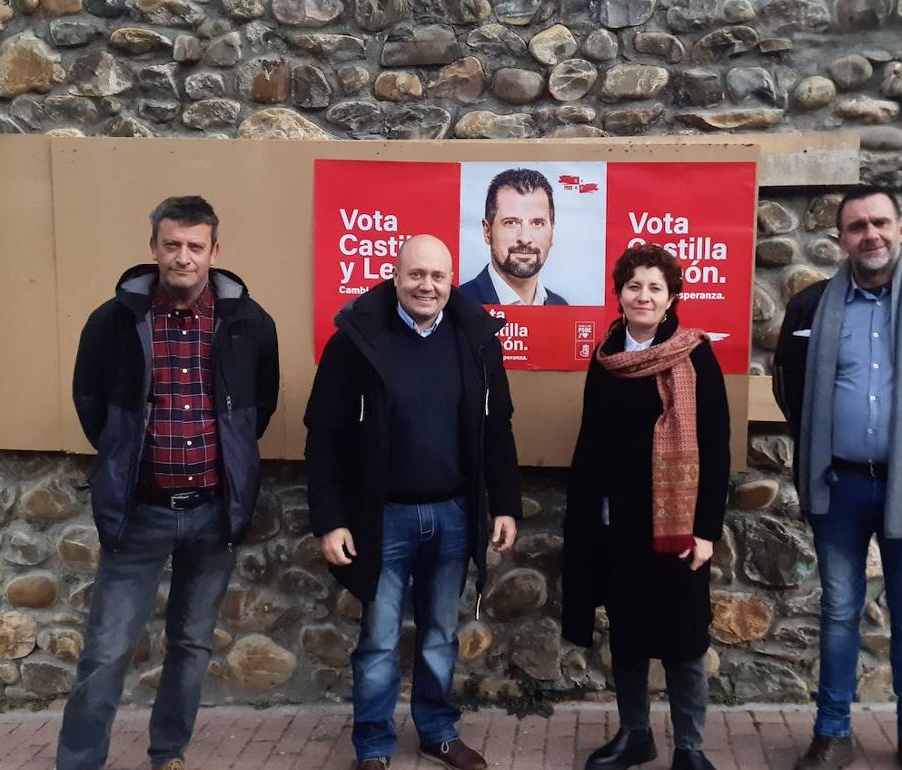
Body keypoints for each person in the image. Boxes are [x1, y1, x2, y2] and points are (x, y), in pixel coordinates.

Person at [58, 196, 280, 770]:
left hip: (212, 512)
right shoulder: (113, 321)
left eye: (195, 246)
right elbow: (92, 405)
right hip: (140, 513)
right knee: (106, 652)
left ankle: (169, 753)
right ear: (154, 247)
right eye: (172, 245)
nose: (183, 257)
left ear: (214, 251)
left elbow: (260, 406)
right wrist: (121, 457)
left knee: (190, 645)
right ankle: (79, 762)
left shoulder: (249, 323)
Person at [772, 187, 902, 770]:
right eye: (857, 226)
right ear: (840, 238)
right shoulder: (811, 307)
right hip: (838, 486)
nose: (871, 235)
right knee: (839, 612)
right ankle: (832, 732)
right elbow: (788, 388)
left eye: (880, 223)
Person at [305, 234, 523, 770]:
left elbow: (497, 429)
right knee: (379, 642)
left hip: (452, 514)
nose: (427, 286)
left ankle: (437, 731)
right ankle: (373, 746)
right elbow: (323, 436)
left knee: (441, 635)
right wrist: (330, 520)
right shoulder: (356, 341)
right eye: (416, 274)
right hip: (382, 518)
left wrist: (506, 505)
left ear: (452, 281)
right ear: (395, 275)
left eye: (438, 277)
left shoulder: (474, 338)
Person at [562, 243, 731, 770]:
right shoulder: (606, 359)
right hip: (620, 527)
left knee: (683, 642)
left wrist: (705, 530)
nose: (643, 295)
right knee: (629, 639)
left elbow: (717, 446)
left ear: (672, 296)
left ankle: (690, 748)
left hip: (677, 531)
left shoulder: (694, 356)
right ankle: (636, 735)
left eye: (655, 287)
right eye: (633, 285)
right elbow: (591, 443)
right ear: (619, 295)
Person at [460, 167, 569, 306]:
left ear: (551, 232)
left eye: (537, 223)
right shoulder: (458, 306)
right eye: (511, 222)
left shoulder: (560, 306)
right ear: (487, 231)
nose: (524, 239)